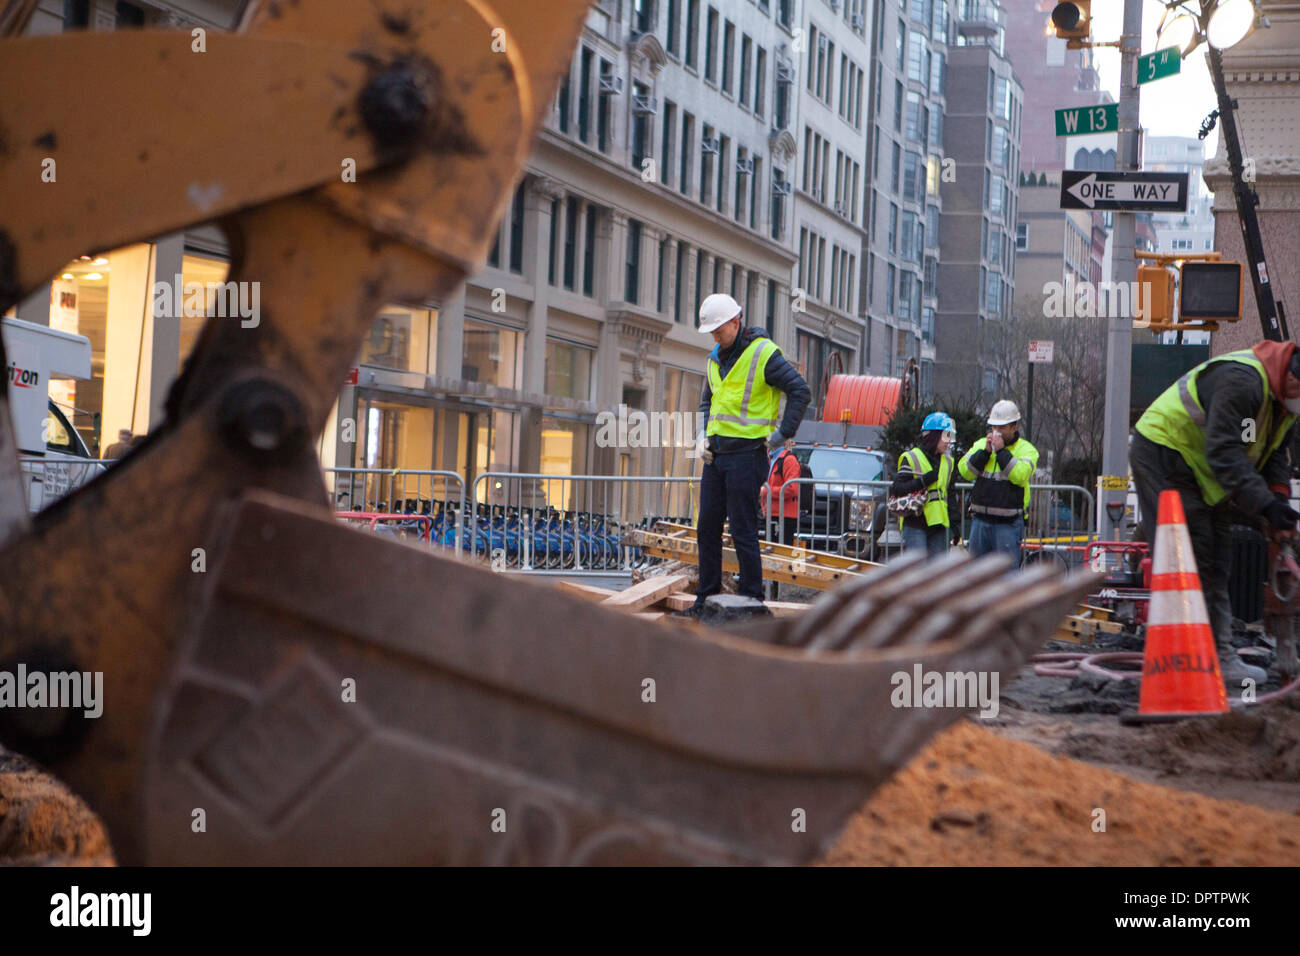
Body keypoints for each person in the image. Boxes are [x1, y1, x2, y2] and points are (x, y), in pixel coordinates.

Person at [1131, 340, 1300, 690]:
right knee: (1193, 555)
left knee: (1217, 558)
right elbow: (1225, 452)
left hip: (1203, 471)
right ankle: (1198, 659)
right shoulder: (1244, 383)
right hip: (1167, 452)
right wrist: (1265, 507)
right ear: (1295, 380)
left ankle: (1212, 653)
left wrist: (1279, 500)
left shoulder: (1281, 403)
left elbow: (1269, 455)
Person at [682, 293, 810, 616]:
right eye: (711, 331)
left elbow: (800, 390)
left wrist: (783, 435)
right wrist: (701, 437)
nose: (715, 336)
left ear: (736, 322)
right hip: (716, 457)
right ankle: (705, 600)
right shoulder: (714, 358)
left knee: (743, 531)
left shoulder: (763, 354)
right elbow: (706, 403)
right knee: (707, 528)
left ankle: (751, 602)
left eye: (719, 330)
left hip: (747, 456)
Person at [958, 400, 1038, 563]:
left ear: (1014, 427)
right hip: (980, 521)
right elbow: (965, 471)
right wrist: (984, 453)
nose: (996, 432)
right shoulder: (982, 444)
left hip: (1008, 524)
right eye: (994, 427)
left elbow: (1020, 475)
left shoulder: (1027, 450)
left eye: (1001, 427)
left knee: (1006, 576)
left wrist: (1001, 452)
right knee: (977, 574)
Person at [891, 411, 957, 558]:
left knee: (937, 575)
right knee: (917, 572)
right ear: (934, 436)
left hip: (939, 525)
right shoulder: (912, 457)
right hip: (915, 523)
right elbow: (897, 489)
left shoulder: (948, 462)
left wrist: (955, 524)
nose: (949, 441)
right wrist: (923, 481)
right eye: (946, 436)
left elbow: (949, 494)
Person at [765, 438, 803, 546]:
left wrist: (766, 491)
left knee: (781, 552)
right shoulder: (771, 458)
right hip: (772, 513)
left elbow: (791, 489)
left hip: (784, 516)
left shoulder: (788, 460)